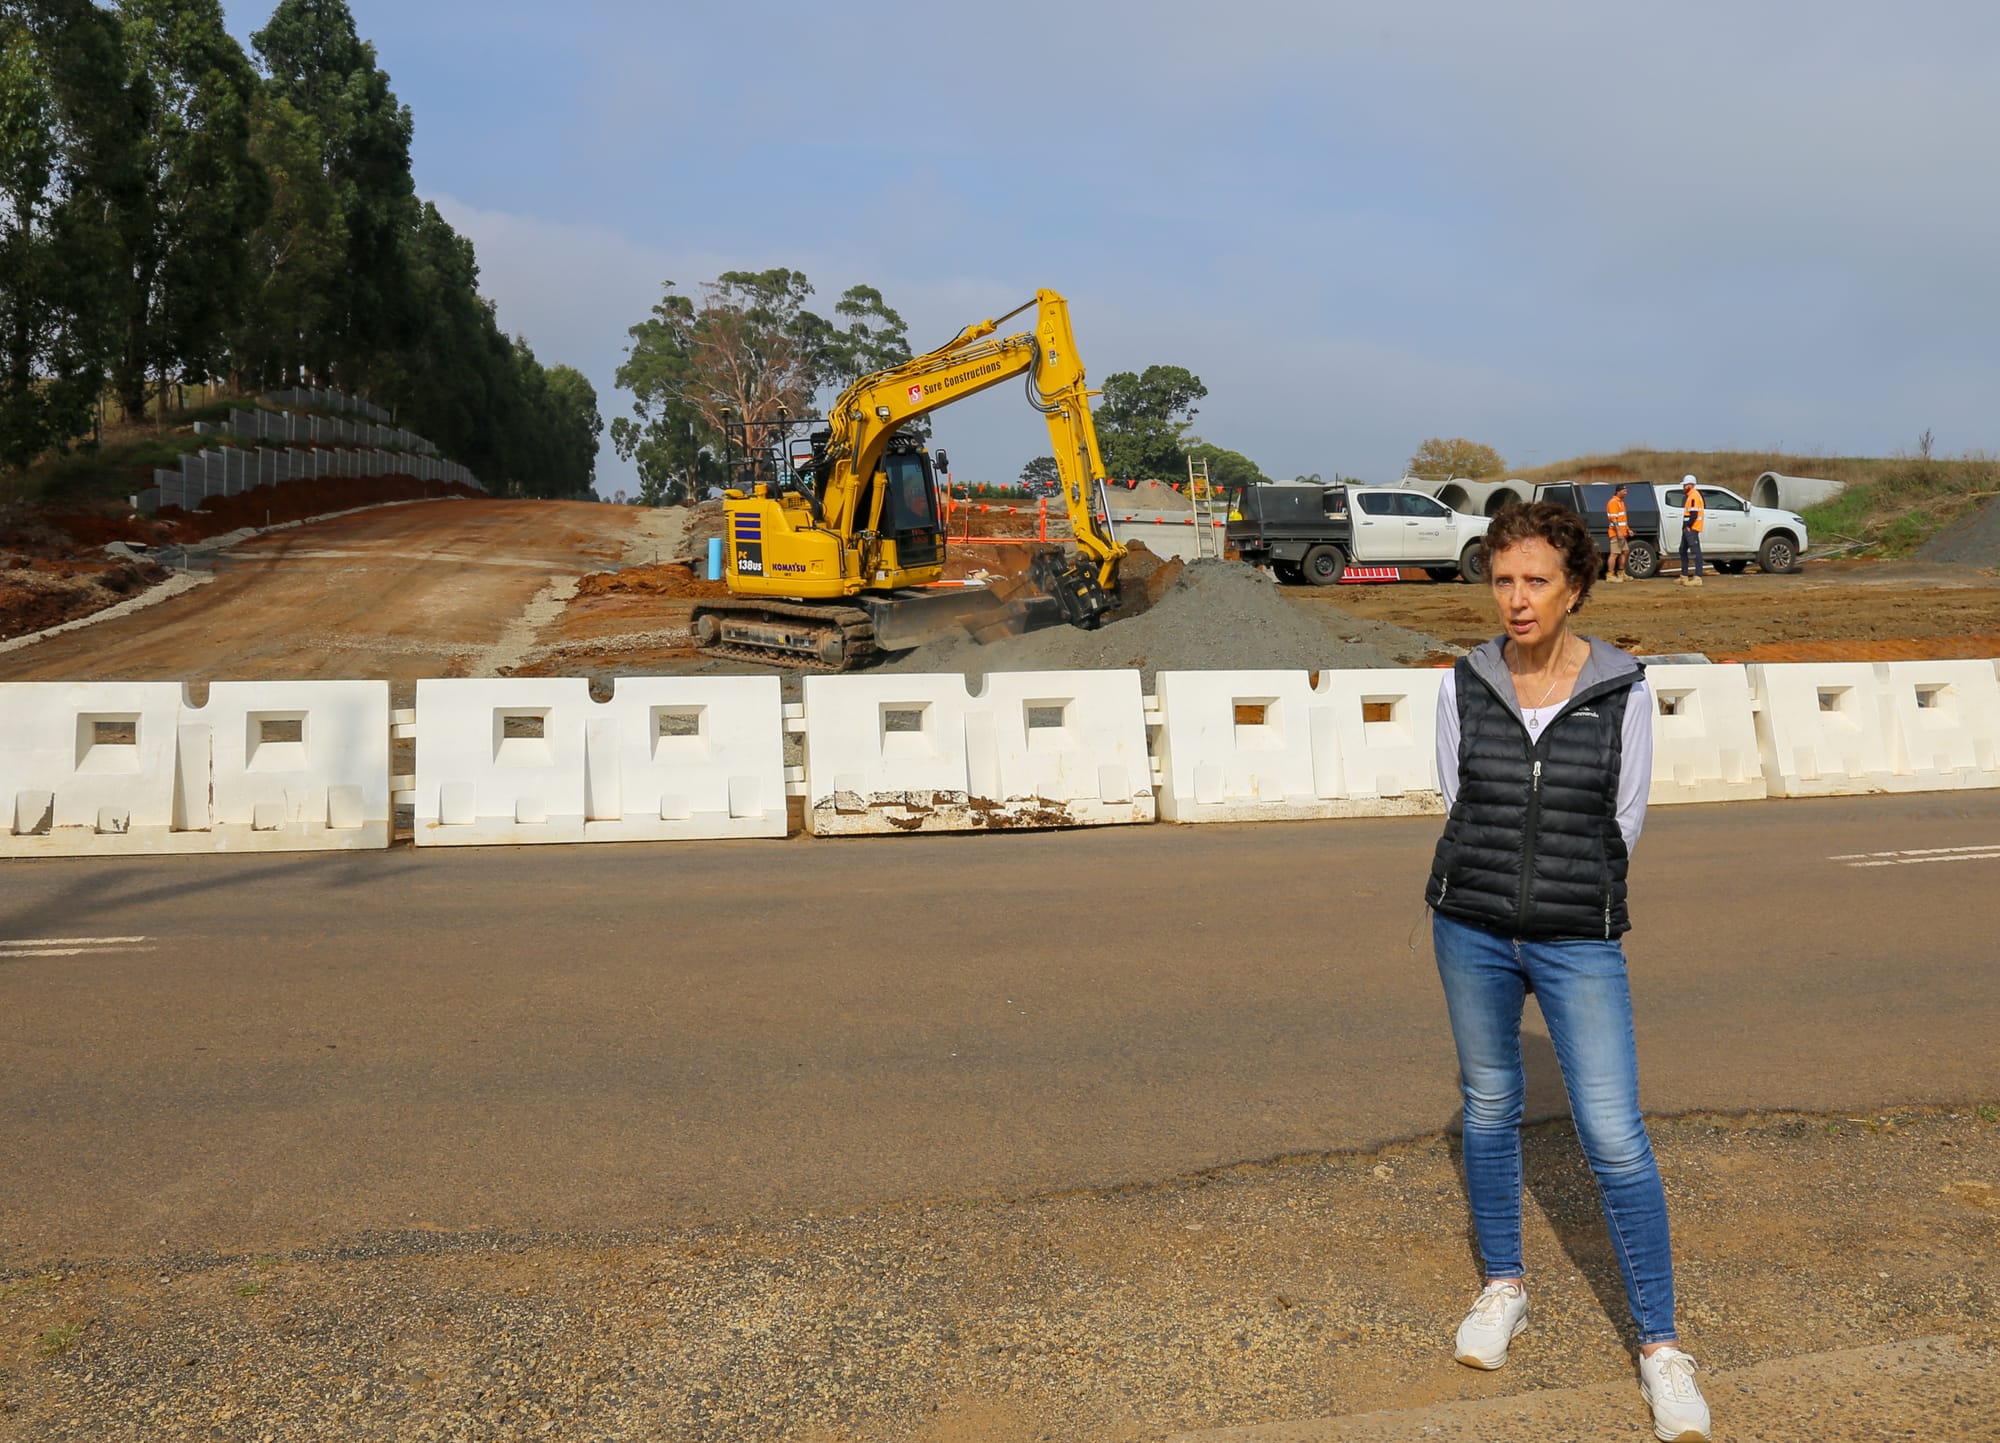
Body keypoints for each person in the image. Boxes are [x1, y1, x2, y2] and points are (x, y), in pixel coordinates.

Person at [1424, 501, 1710, 1442]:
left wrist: (1562, 897)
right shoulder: (1464, 682)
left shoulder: (1622, 689)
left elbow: (1622, 820)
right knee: (1490, 1103)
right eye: (1503, 579)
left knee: (1616, 1135)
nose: (1516, 599)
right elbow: (1460, 797)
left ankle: (1662, 1348)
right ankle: (1504, 1285)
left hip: (1578, 937)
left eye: (1535, 580)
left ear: (1574, 586)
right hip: (1471, 928)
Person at [1677, 475, 1706, 586]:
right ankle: (1684, 576)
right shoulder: (1690, 496)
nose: (1684, 487)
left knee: (1696, 552)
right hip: (1689, 528)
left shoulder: (1693, 496)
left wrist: (1688, 526)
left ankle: (1698, 577)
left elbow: (1694, 514)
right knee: (1682, 550)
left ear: (1691, 485)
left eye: (1685, 485)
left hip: (1692, 529)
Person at [1605, 483, 1631, 582]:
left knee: (1625, 552)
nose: (1626, 492)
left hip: (1623, 533)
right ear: (1618, 491)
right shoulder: (1613, 502)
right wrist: (1619, 532)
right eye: (1624, 490)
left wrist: (1628, 529)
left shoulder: (1621, 502)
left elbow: (1622, 519)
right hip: (1616, 533)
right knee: (1614, 554)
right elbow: (1613, 519)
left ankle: (1621, 573)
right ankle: (1610, 575)